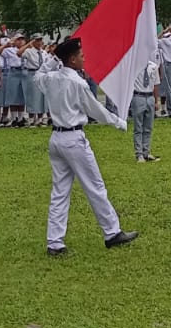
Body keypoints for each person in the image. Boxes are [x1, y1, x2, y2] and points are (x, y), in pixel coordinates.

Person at [34, 37, 138, 257]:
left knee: (60, 191)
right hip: (74, 138)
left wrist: (53, 60)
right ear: (72, 60)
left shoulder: (51, 78)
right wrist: (117, 122)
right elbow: (95, 110)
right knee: (95, 186)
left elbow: (38, 77)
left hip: (56, 138)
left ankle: (55, 241)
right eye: (81, 56)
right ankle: (112, 232)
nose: (84, 58)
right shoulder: (77, 83)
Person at [129, 53, 161, 162]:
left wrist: (156, 101)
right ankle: (139, 154)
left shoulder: (153, 66)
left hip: (149, 96)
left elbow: (156, 84)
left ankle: (146, 152)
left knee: (148, 127)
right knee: (138, 127)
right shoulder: (134, 66)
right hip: (138, 96)